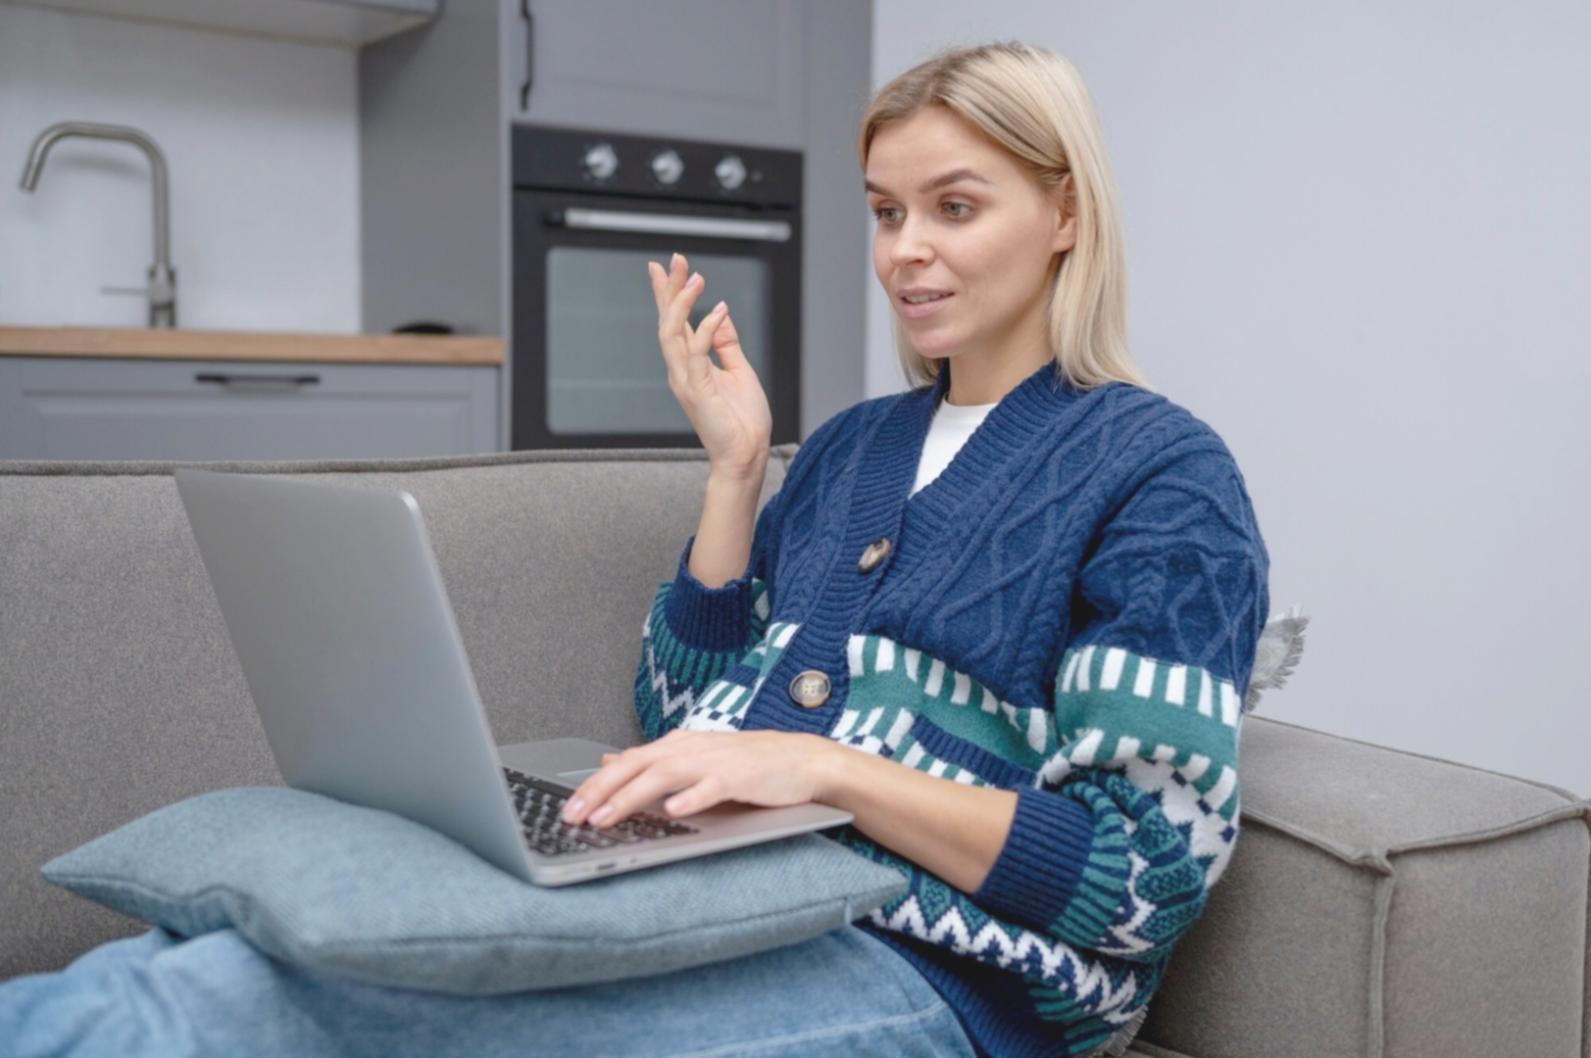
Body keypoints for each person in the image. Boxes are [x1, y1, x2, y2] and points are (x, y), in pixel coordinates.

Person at [0, 39, 1268, 1058]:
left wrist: (826, 768)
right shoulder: (848, 449)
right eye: (885, 211)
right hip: (724, 886)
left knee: (217, 1016)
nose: (905, 250)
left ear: (1062, 210)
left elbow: (1140, 877)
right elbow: (680, 717)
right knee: (189, 964)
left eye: (952, 205)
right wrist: (732, 470)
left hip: (927, 966)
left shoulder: (1160, 475)